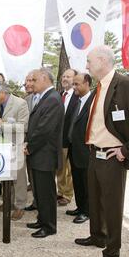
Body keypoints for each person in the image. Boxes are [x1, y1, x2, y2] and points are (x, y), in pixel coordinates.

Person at [75, 45, 129, 257]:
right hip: (95, 153)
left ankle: (111, 253)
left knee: (111, 205)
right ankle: (98, 236)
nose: (87, 65)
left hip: (112, 156)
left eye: (89, 61)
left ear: (102, 60)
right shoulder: (100, 87)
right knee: (95, 200)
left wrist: (127, 150)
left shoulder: (126, 84)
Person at [24, 68, 64, 238]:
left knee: (46, 192)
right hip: (39, 154)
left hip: (45, 154)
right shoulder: (46, 98)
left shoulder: (53, 99)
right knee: (39, 191)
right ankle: (42, 219)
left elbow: (44, 130)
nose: (32, 83)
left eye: (35, 80)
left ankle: (49, 226)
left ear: (45, 79)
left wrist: (29, 146)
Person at [0, 81, 29, 221]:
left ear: (2, 93)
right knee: (7, 177)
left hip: (16, 146)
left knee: (19, 178)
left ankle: (20, 206)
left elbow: (23, 126)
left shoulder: (20, 103)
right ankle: (8, 202)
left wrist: (2, 124)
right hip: (2, 147)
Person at [67, 74, 94, 224]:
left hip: (85, 149)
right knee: (77, 180)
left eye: (77, 84)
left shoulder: (92, 102)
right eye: (73, 84)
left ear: (87, 83)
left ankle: (87, 211)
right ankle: (79, 206)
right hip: (73, 147)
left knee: (85, 181)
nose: (74, 87)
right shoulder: (76, 101)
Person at [57, 69, 78, 207]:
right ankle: (60, 191)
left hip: (70, 139)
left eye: (68, 77)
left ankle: (67, 194)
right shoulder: (58, 95)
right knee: (59, 167)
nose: (65, 78)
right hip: (57, 138)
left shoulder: (78, 97)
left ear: (74, 79)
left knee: (68, 169)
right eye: (63, 76)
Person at [23, 71, 38, 212]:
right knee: (32, 173)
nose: (28, 84)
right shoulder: (26, 100)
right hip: (28, 142)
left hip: (41, 144)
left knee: (42, 178)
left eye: (31, 80)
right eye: (26, 81)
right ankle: (36, 201)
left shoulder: (48, 99)